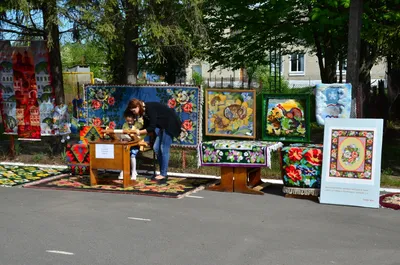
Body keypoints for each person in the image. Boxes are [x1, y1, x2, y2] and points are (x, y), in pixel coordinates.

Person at [125, 98, 182, 183]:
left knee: (163, 148)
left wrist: (139, 132)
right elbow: (147, 125)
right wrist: (136, 131)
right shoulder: (144, 111)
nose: (134, 113)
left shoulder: (150, 108)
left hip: (171, 125)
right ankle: (162, 172)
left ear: (137, 106)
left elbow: (151, 127)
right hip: (163, 126)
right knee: (156, 148)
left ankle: (163, 174)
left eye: (134, 111)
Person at [118, 111, 147, 180]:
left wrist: (138, 137)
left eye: (130, 121)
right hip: (127, 143)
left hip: (136, 143)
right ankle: (123, 170)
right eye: (128, 121)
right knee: (123, 154)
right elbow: (123, 133)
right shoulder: (125, 125)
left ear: (134, 119)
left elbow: (143, 134)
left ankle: (133, 171)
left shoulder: (138, 125)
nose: (129, 122)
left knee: (132, 154)